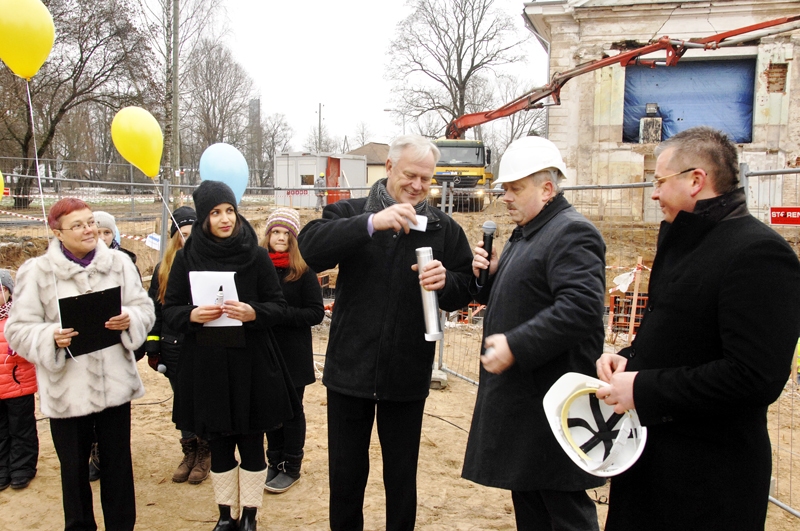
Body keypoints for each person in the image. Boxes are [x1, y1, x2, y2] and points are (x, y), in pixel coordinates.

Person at [595, 126, 800, 530]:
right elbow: (677, 336)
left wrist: (642, 388)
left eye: (659, 181)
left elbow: (755, 377)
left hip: (709, 483)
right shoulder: (683, 242)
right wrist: (627, 360)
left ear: (695, 180)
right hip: (651, 467)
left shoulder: (759, 253)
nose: (653, 194)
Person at [298, 134, 474, 531]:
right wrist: (371, 223)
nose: (417, 186)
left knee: (400, 478)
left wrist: (447, 282)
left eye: (426, 180)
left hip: (407, 373)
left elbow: (464, 290)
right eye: (410, 175)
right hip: (349, 370)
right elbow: (308, 249)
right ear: (390, 168)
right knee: (345, 476)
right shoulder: (350, 212)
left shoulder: (443, 228)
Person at [462, 136, 606, 530]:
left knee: (563, 512)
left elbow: (582, 307)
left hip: (553, 404)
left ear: (547, 188)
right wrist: (490, 276)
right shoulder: (527, 232)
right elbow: (526, 295)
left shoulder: (571, 232)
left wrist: (515, 344)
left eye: (515, 188)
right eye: (504, 188)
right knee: (533, 507)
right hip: (527, 403)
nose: (505, 197)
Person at [5, 197, 155, 531]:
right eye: (78, 225)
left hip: (115, 386)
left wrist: (129, 318)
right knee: (73, 470)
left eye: (90, 222)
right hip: (67, 390)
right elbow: (16, 330)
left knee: (118, 465)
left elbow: (144, 310)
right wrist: (49, 337)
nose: (88, 229)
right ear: (57, 232)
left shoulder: (119, 263)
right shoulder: (36, 272)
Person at [163, 181, 298, 531]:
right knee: (219, 444)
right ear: (205, 217)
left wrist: (254, 312)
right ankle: (226, 515)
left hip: (250, 364)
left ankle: (250, 515)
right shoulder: (187, 256)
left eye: (229, 211)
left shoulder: (254, 255)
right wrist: (192, 315)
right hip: (206, 364)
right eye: (215, 212)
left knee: (252, 444)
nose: (224, 219)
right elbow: (170, 310)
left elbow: (278, 306)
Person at [141, 206, 212, 485]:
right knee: (182, 402)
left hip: (204, 346)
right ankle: (189, 451)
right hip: (173, 348)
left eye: (193, 233)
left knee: (203, 401)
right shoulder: (163, 269)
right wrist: (153, 347)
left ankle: (206, 451)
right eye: (183, 234)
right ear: (174, 238)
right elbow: (155, 312)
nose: (188, 239)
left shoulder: (209, 265)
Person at [259, 207, 324, 493]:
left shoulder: (302, 271)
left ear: (294, 238)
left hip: (293, 355)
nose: (281, 237)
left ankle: (291, 465)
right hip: (265, 353)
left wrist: (282, 315)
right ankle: (273, 462)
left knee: (292, 412)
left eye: (286, 233)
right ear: (268, 235)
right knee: (269, 410)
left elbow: (315, 313)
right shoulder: (258, 269)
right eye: (276, 232)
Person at [0, 269, 38, 491]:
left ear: (7, 291)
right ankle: (3, 468)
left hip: (18, 384)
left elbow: (32, 347)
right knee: (1, 430)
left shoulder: (20, 317)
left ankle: (22, 468)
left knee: (21, 428)